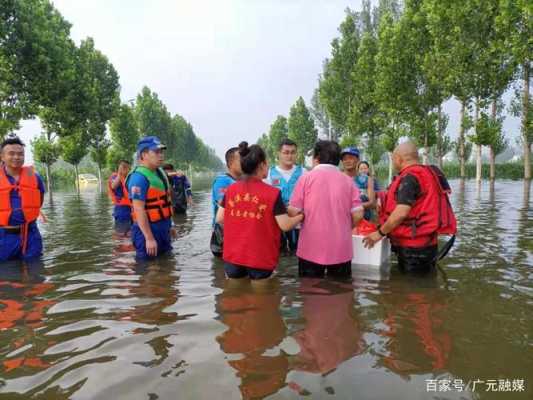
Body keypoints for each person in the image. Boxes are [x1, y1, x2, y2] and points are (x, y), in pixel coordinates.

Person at [216, 142, 304, 285]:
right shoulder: (273, 193)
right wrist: (302, 216)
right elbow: (285, 225)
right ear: (262, 165)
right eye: (267, 164)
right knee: (261, 301)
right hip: (259, 257)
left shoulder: (231, 189)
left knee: (233, 296)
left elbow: (219, 218)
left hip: (233, 256)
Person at [363, 142, 457, 273]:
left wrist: (379, 234)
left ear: (399, 159)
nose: (394, 163)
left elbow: (401, 213)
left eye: (393, 159)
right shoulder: (427, 173)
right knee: (423, 283)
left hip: (413, 247)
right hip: (428, 243)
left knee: (413, 288)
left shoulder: (409, 178)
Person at [289, 140, 364, 278]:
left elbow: (293, 211)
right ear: (337, 160)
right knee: (340, 292)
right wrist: (345, 225)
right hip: (341, 249)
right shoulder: (348, 181)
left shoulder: (305, 178)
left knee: (309, 291)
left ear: (316, 158)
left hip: (311, 248)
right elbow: (358, 214)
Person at [126, 136, 174, 259]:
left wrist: (171, 225)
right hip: (147, 230)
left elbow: (167, 201)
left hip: (163, 228)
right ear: (144, 154)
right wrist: (149, 238)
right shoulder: (138, 178)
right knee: (148, 271)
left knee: (168, 265)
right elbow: (138, 209)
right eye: (156, 152)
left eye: (162, 152)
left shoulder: (159, 172)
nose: (161, 155)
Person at [0, 136, 45, 262]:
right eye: (11, 153)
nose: (16, 157)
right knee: (5, 275)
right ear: (2, 157)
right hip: (3, 236)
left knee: (35, 273)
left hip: (31, 234)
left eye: (20, 154)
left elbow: (39, 200)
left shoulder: (35, 177)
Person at [264, 138, 306, 252]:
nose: (290, 156)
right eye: (286, 152)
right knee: (279, 255)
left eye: (293, 152)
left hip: (298, 223)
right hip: (277, 222)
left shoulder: (304, 173)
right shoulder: (268, 174)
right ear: (278, 153)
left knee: (298, 253)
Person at [210, 145, 243, 257]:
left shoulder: (243, 181)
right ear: (230, 163)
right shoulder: (222, 181)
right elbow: (224, 205)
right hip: (224, 233)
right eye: (241, 159)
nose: (244, 162)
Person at [341, 147, 377, 221]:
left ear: (358, 160)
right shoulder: (337, 178)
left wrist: (352, 207)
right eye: (344, 159)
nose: (347, 161)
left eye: (350, 158)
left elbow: (372, 203)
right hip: (342, 220)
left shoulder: (367, 179)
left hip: (363, 222)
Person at [108, 160, 132, 231]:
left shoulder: (129, 178)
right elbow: (113, 186)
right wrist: (120, 173)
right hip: (122, 212)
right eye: (124, 167)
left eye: (128, 168)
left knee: (130, 237)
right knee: (121, 236)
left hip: (131, 211)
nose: (127, 170)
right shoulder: (115, 176)